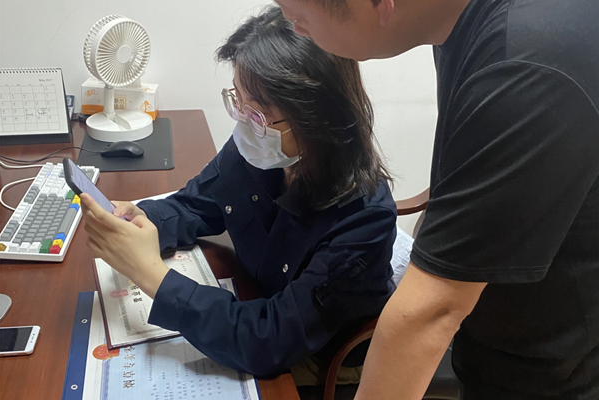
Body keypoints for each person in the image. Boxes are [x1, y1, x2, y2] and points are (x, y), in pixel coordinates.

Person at [273, 0, 599, 399]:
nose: (296, 28)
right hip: (500, 337)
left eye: (298, 15)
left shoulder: (526, 63)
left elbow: (432, 311)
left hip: (559, 372)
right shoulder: (458, 24)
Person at [80, 6, 398, 382]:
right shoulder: (263, 145)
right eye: (238, 100)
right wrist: (141, 220)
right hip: (256, 301)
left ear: (316, 118)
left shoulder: (363, 219)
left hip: (322, 358)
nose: (244, 121)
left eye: (257, 113)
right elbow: (196, 203)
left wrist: (149, 273)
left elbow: (268, 341)